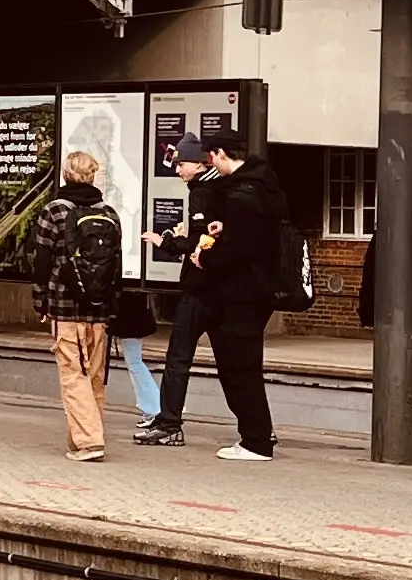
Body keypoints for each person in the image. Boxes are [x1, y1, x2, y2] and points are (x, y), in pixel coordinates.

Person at [136, 125, 285, 460]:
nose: (177, 170)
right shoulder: (257, 187)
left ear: (213, 157)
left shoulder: (232, 192)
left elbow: (234, 246)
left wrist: (190, 250)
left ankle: (250, 438)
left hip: (218, 290)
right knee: (236, 366)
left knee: (220, 364)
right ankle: (259, 431)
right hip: (234, 292)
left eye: (182, 163)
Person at [24, 146, 125, 460]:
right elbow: (116, 267)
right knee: (92, 376)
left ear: (66, 175)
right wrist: (112, 309)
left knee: (72, 374)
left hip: (65, 306)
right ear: (92, 176)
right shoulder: (109, 213)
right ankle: (78, 439)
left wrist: (41, 303)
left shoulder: (55, 211)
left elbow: (39, 261)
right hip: (99, 311)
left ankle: (90, 442)